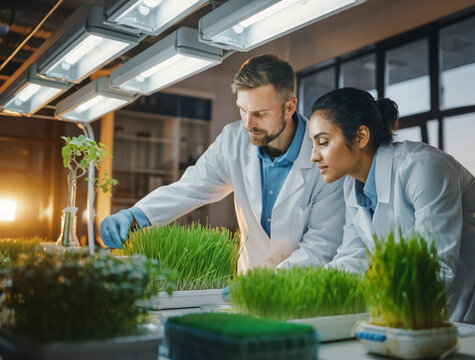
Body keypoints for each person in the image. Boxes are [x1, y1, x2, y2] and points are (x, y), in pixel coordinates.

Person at [309, 87, 475, 332]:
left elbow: (435, 265)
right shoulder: (353, 187)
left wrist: (381, 305)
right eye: (313, 145)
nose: (313, 156)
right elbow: (354, 257)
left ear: (360, 136)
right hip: (441, 300)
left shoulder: (423, 167)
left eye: (323, 142)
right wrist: (311, 290)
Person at [100, 54, 346, 272]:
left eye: (260, 113)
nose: (248, 124)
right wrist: (137, 214)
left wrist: (270, 286)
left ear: (289, 106)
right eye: (242, 110)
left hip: (299, 294)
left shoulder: (324, 158)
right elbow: (191, 187)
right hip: (246, 290)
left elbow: (321, 245)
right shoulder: (234, 140)